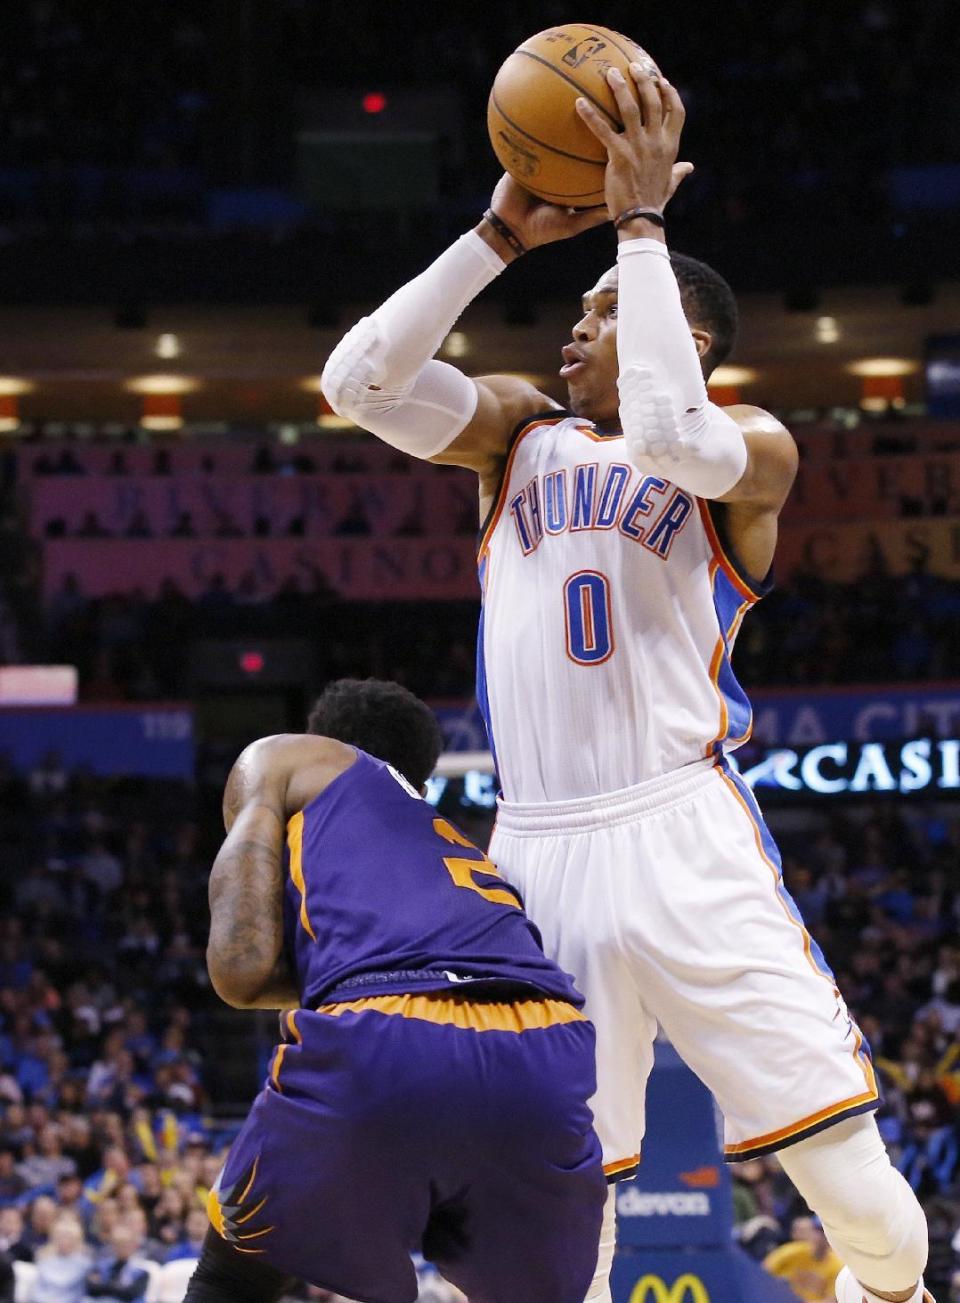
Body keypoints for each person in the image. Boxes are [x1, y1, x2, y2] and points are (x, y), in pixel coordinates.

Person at [321, 61, 932, 1303]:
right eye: (583, 310)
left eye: (599, 312)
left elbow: (667, 434)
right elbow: (357, 384)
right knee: (553, 1215)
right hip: (536, 851)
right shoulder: (515, 435)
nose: (574, 326)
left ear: (678, 331)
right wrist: (500, 233)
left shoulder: (752, 446)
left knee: (860, 1194)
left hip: (682, 828)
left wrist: (642, 229)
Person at [185, 678, 605, 1303]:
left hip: (389, 1032)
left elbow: (240, 970)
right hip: (547, 1050)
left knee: (235, 1275)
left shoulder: (294, 758)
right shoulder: (458, 849)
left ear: (320, 736)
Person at [764, 1215, 844, 1302]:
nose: (821, 1237)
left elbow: (831, 1300)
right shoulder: (793, 1251)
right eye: (818, 1231)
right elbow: (763, 1271)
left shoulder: (837, 1266)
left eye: (826, 1233)